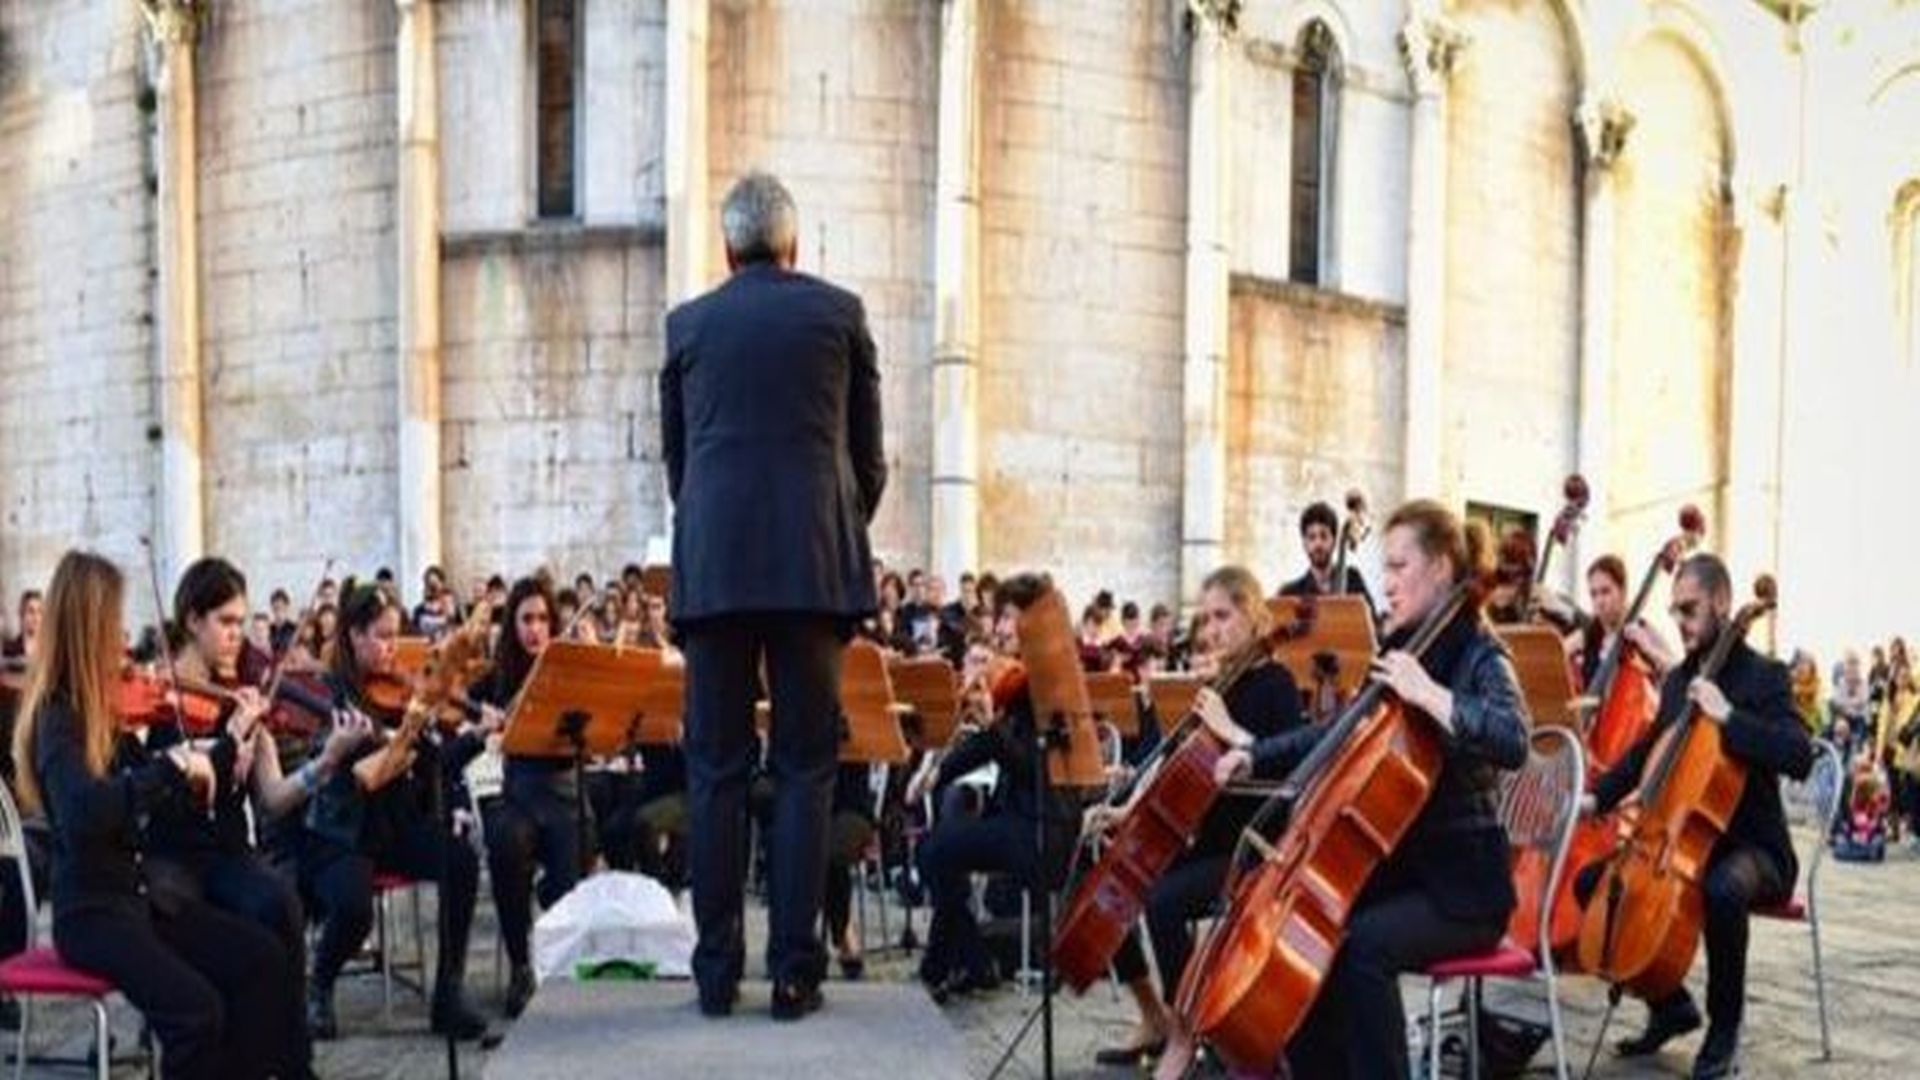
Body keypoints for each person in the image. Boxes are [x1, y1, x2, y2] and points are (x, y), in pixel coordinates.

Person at [1176, 500, 1530, 1079]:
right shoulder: (1401, 648)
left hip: (1464, 890)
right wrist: (1253, 755)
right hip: (1407, 870)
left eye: (1398, 568)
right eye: (1384, 568)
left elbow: (1513, 737)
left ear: (1441, 568)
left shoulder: (1478, 651)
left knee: (1364, 947)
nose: (1385, 584)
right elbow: (1334, 732)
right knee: (1314, 932)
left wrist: (1431, 695)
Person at [660, 170, 886, 1021]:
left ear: (727, 249)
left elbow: (680, 469)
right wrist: (831, 523)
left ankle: (716, 973)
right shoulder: (839, 314)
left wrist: (720, 530)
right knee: (803, 769)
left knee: (714, 770)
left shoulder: (687, 325)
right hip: (810, 569)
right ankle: (795, 972)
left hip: (716, 569)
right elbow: (870, 460)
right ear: (794, 246)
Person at [12, 551, 293, 1079]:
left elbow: (165, 785)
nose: (122, 640)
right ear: (88, 627)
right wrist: (169, 768)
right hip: (92, 915)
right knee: (196, 1014)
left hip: (137, 901)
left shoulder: (103, 714)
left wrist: (229, 746)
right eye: (112, 624)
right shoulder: (58, 717)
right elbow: (83, 812)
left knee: (260, 958)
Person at [1576, 553, 1813, 1080]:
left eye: (1690, 610)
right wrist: (1598, 798)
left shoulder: (1763, 676)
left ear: (1723, 604)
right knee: (1595, 886)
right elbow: (1645, 753)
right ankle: (1670, 1005)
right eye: (1675, 611)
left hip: (1757, 850)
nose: (1679, 623)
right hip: (1682, 844)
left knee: (1723, 889)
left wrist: (1730, 716)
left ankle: (1723, 1029)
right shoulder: (1681, 678)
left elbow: (1798, 754)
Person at [1093, 567, 1305, 1068]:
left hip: (1250, 849)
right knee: (1109, 875)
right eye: (1206, 619)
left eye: (1222, 616)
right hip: (1203, 839)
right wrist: (1125, 809)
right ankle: (1158, 1016)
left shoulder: (1275, 683)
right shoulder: (1219, 684)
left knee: (1162, 902)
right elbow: (1175, 765)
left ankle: (1190, 1032)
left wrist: (1230, 730)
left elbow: (1292, 770)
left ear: (1253, 615)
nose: (1211, 630)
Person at [300, 581, 494, 1041]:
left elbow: (434, 764)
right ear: (353, 635)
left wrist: (471, 739)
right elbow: (339, 772)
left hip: (394, 824)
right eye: (382, 636)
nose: (392, 648)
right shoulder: (332, 693)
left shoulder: (403, 693)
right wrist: (371, 741)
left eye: (395, 635)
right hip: (345, 830)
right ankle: (319, 986)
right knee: (353, 909)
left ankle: (448, 991)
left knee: (461, 860)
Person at [469, 577, 582, 1017]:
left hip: (566, 796)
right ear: (513, 624)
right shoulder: (499, 677)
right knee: (505, 842)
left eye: (543, 619)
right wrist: (477, 724)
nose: (535, 628)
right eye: (526, 619)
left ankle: (560, 955)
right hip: (519, 793)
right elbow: (458, 708)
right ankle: (520, 965)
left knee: (567, 874)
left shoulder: (568, 671)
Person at [1278, 501, 1375, 614]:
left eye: (1324, 536)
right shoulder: (1290, 593)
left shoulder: (1353, 580)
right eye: (1312, 537)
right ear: (1304, 544)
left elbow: (1373, 624)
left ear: (1334, 541)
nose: (1318, 544)